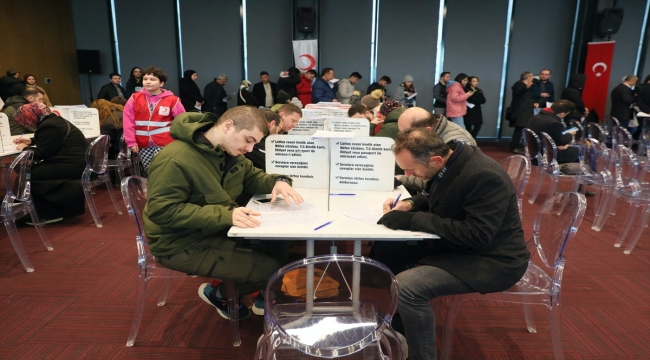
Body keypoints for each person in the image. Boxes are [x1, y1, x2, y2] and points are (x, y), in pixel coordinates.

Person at [376, 128, 530, 360]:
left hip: (494, 260)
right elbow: (435, 194)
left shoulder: (483, 175)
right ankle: (404, 327)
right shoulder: (451, 161)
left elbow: (477, 234)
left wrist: (415, 220)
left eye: (412, 169)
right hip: (464, 246)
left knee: (406, 288)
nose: (408, 173)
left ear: (435, 160)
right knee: (387, 249)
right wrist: (410, 204)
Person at [143, 106, 304, 319]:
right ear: (228, 126)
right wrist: (226, 215)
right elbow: (163, 211)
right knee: (272, 271)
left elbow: (254, 177)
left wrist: (279, 180)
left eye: (254, 142)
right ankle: (219, 294)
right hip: (179, 242)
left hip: (211, 229)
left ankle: (254, 295)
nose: (250, 148)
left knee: (277, 245)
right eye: (248, 140)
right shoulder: (175, 159)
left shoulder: (226, 152)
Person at [12, 103, 88, 223]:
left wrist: (24, 148)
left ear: (31, 117)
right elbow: (52, 139)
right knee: (31, 172)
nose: (24, 124)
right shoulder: (54, 121)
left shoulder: (50, 126)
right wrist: (31, 141)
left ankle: (44, 214)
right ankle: (42, 211)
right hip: (78, 162)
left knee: (27, 175)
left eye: (24, 120)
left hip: (72, 165)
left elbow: (42, 153)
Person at [123, 67, 185, 172]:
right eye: (145, 79)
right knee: (149, 170)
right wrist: (131, 142)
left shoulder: (172, 100)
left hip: (166, 142)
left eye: (152, 79)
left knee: (162, 169)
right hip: (143, 143)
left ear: (161, 83)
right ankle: (153, 187)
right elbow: (128, 121)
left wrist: (181, 141)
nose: (148, 82)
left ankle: (164, 188)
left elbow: (182, 121)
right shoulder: (135, 98)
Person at [526, 100, 578, 164]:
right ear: (562, 113)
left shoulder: (536, 117)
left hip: (534, 154)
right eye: (566, 114)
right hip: (548, 155)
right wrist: (570, 134)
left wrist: (557, 144)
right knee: (583, 150)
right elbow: (562, 141)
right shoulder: (554, 123)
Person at [509, 71, 535, 154]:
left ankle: (519, 146)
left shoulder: (525, 85)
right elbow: (519, 91)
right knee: (519, 131)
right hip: (520, 112)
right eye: (532, 77)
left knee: (521, 130)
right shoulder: (519, 84)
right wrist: (526, 87)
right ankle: (514, 147)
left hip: (525, 112)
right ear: (529, 77)